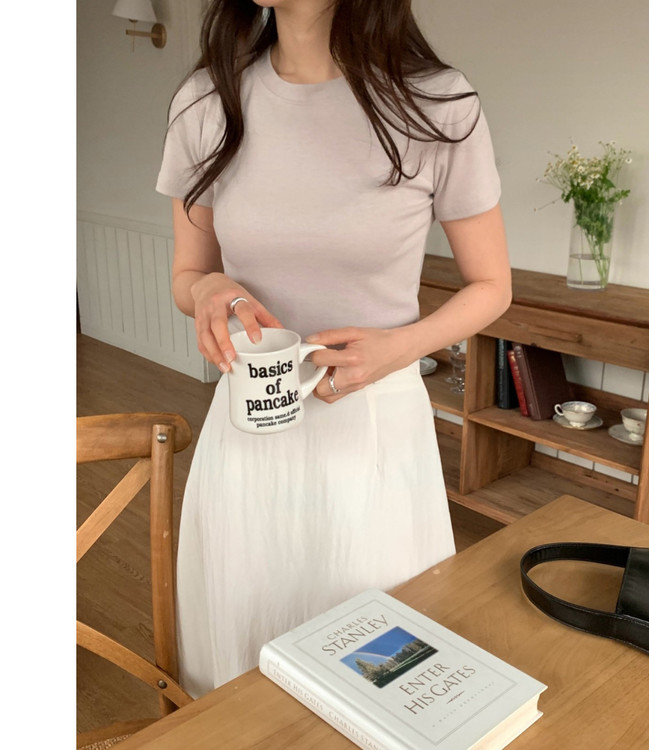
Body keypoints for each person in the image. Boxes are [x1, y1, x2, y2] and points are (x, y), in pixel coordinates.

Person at [156, 0, 512, 698]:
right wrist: (206, 289)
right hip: (249, 438)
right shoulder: (206, 102)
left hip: (374, 439)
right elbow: (187, 275)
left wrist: (399, 348)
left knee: (380, 678)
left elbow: (492, 285)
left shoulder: (437, 103)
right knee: (240, 672)